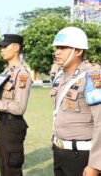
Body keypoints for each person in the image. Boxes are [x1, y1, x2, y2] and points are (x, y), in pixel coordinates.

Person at [51, 26, 101, 176]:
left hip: (81, 155)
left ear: (78, 51)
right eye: (57, 47)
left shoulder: (92, 78)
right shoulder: (61, 76)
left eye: (63, 47)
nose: (57, 52)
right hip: (60, 151)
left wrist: (95, 164)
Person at [0, 34, 32, 176]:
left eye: (5, 47)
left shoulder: (22, 74)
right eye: (2, 47)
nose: (2, 50)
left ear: (16, 48)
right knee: (4, 166)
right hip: (2, 124)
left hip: (12, 126)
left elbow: (19, 107)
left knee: (12, 169)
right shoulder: (6, 72)